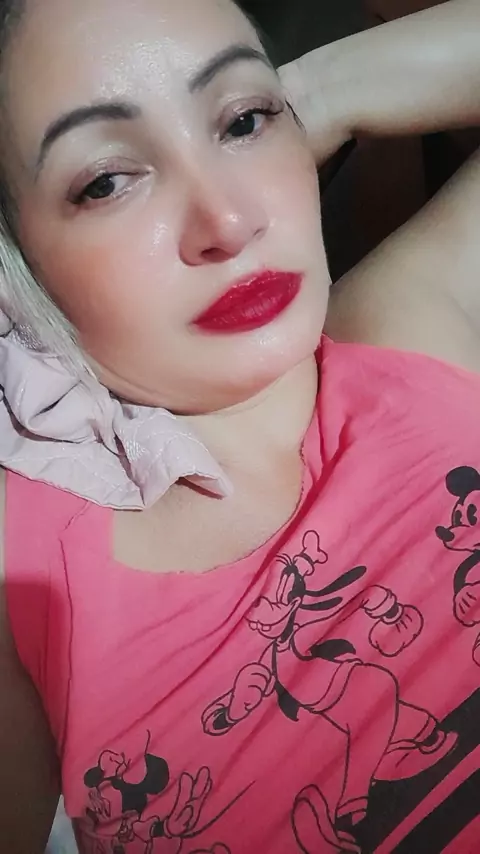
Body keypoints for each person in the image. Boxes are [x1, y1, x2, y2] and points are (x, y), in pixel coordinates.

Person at [0, 0, 479, 851]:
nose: (229, 221)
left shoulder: (406, 328)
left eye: (245, 124)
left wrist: (308, 97)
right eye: (107, 181)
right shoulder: (25, 566)